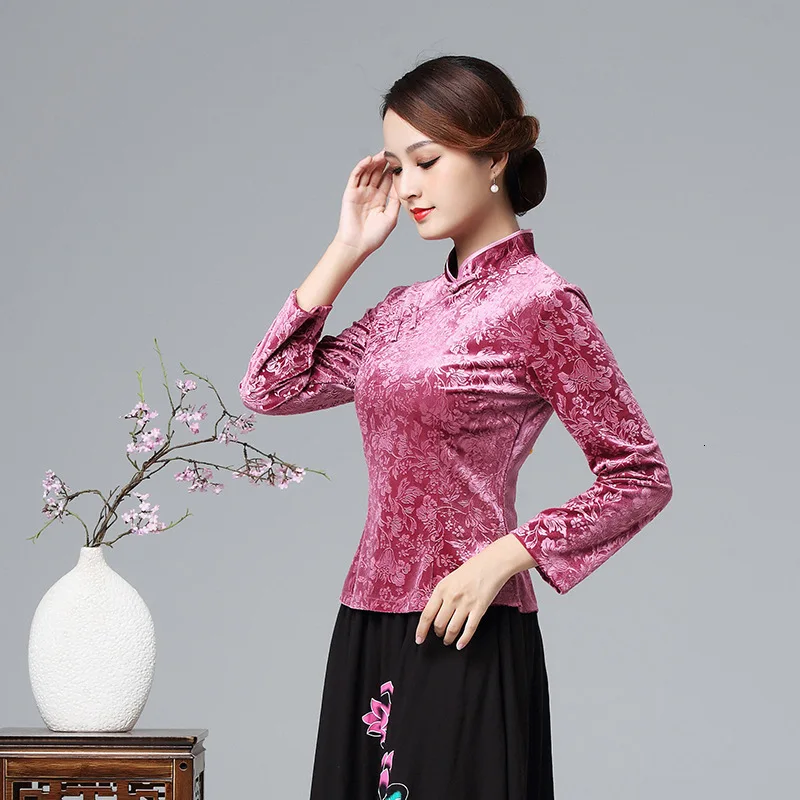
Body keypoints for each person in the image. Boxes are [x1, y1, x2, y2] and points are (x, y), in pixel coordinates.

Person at [239, 54, 673, 800]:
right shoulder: (403, 309)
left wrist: (507, 554)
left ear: (494, 157)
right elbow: (271, 386)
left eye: (428, 161)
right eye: (396, 167)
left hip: (465, 625)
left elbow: (639, 476)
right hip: (368, 620)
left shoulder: (541, 303)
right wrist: (347, 249)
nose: (407, 187)